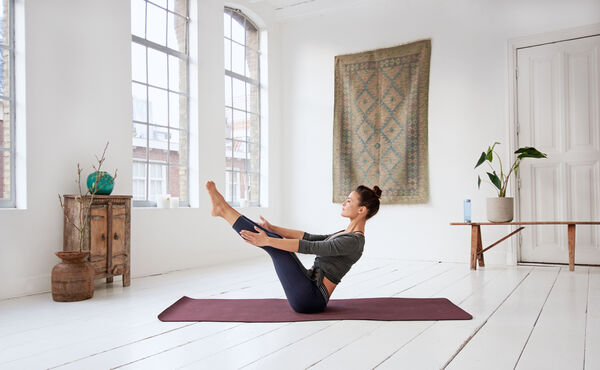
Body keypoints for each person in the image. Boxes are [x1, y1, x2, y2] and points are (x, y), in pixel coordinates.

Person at [205, 180, 382, 313]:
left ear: (361, 210)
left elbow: (310, 247)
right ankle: (223, 210)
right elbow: (309, 238)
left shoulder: (354, 241)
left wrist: (268, 240)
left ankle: (223, 211)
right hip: (308, 287)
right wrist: (273, 229)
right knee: (272, 239)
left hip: (311, 298)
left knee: (273, 244)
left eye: (349, 201)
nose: (344, 203)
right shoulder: (345, 234)